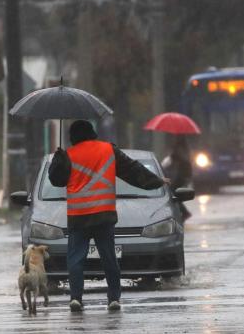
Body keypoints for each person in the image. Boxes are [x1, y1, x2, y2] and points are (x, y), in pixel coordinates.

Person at [49, 120, 168, 312]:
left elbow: (56, 181)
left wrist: (58, 159)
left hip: (78, 215)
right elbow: (132, 170)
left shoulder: (69, 155)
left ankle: (76, 298)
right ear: (92, 132)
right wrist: (156, 181)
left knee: (76, 259)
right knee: (109, 258)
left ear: (73, 136)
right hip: (103, 215)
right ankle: (113, 298)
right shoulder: (108, 150)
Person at [160, 135, 193, 221]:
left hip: (181, 176)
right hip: (183, 175)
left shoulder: (180, 150)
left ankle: (184, 213)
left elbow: (175, 159)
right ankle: (183, 213)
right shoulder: (184, 149)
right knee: (174, 193)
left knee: (173, 193)